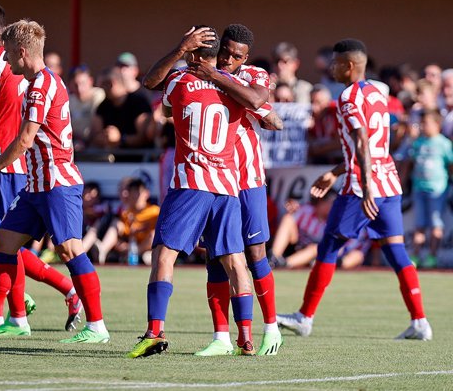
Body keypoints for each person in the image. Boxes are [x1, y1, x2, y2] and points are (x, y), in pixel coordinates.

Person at [0, 19, 109, 343]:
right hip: (36, 184)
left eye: (7, 55)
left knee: (70, 250)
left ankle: (97, 326)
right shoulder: (37, 84)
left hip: (56, 182)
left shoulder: (42, 86)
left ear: (21, 52)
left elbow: (24, 140)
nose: (4, 61)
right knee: (3, 243)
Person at [277, 39, 433, 341]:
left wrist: (363, 186)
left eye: (335, 63)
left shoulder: (348, 97)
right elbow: (374, 144)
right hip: (388, 182)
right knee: (395, 250)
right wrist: (334, 172)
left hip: (363, 189)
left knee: (328, 248)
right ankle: (420, 322)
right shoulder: (377, 94)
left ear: (349, 66)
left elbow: (361, 142)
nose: (331, 68)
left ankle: (304, 317)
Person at [143, 24, 283, 356]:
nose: (230, 59)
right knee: (219, 260)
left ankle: (272, 327)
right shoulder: (201, 76)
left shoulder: (251, 76)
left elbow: (269, 113)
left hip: (247, 178)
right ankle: (223, 336)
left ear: (246, 57)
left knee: (255, 255)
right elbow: (271, 118)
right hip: (226, 179)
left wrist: (214, 76)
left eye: (237, 56)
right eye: (225, 52)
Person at [0, 4, 82, 334]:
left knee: (0, 238)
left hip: (0, 164)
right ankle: (13, 309)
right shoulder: (31, 75)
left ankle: (19, 309)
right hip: (21, 166)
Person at [406, 110, 453, 268]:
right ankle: (416, 256)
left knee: (436, 224)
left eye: (426, 123)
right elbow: (410, 161)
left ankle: (432, 257)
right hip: (419, 188)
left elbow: (450, 164)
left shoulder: (443, 143)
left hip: (437, 190)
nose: (423, 126)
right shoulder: (418, 142)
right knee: (419, 225)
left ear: (437, 125)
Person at [91, 67, 154, 149]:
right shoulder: (103, 106)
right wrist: (103, 137)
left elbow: (144, 137)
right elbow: (95, 135)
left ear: (111, 83)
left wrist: (120, 139)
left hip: (139, 159)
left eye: (102, 84)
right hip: (114, 159)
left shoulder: (139, 103)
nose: (101, 88)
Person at [68, 65, 105, 150]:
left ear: (90, 81)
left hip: (97, 145)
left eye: (82, 83)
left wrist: (86, 142)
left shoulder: (99, 94)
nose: (79, 89)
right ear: (70, 85)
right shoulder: (69, 100)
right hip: (76, 145)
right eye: (75, 85)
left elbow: (96, 125)